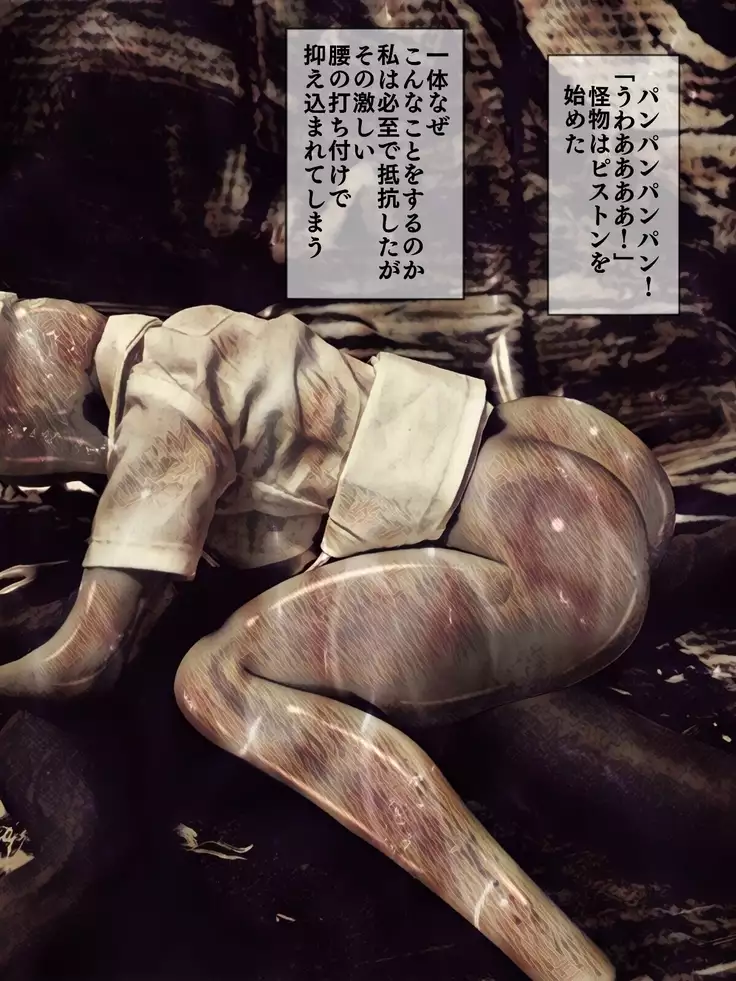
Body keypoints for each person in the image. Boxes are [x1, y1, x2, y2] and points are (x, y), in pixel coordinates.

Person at [0, 290, 676, 981]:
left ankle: (559, 958)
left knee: (216, 680)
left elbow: (84, 661)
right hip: (577, 468)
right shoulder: (198, 330)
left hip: (544, 567)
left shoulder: (162, 424)